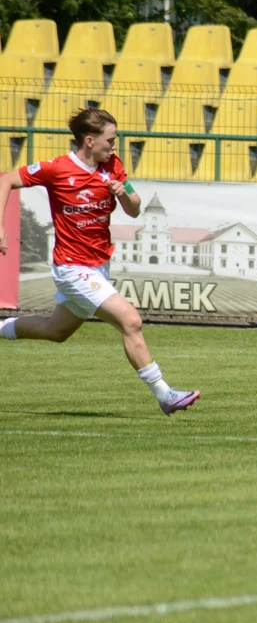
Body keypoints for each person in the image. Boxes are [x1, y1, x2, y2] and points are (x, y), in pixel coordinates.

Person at [0, 108, 200, 415]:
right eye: (111, 139)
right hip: (71, 267)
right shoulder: (57, 168)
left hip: (98, 267)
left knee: (56, 331)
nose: (115, 146)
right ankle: (165, 394)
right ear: (90, 140)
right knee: (130, 321)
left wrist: (124, 193)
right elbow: (7, 180)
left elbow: (134, 209)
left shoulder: (114, 166)